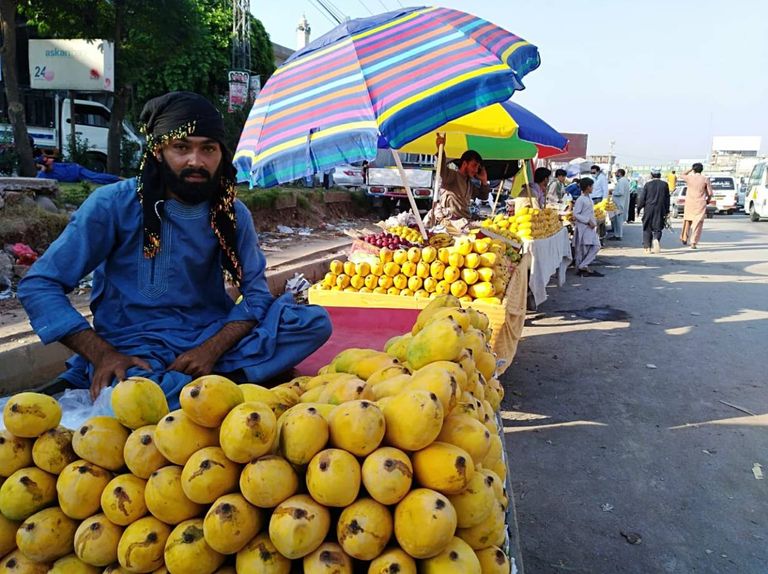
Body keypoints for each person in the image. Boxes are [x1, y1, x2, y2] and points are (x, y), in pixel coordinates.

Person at [18, 91, 332, 407]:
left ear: (221, 154)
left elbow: (257, 295)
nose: (196, 161)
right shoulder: (112, 205)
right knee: (136, 392)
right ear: (158, 151)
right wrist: (102, 354)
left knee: (312, 323)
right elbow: (40, 284)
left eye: (208, 148)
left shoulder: (232, 214)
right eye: (181, 147)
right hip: (137, 350)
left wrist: (211, 349)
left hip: (211, 338)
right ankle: (212, 389)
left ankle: (196, 389)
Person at [425, 134, 490, 226]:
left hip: (464, 222)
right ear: (464, 163)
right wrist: (441, 149)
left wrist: (484, 180)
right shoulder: (453, 175)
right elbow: (442, 169)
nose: (476, 170)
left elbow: (483, 196)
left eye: (478, 167)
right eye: (474, 165)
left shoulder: (469, 183)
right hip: (450, 223)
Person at [572, 177, 603, 277]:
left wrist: (593, 221)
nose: (593, 188)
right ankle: (581, 267)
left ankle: (583, 265)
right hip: (584, 227)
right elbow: (576, 214)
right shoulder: (580, 199)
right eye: (592, 186)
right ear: (587, 187)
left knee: (596, 246)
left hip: (590, 227)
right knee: (583, 249)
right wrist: (587, 221)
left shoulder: (589, 198)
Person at [679, 163, 713, 249]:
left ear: (693, 170)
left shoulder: (689, 177)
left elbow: (681, 175)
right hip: (700, 203)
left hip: (689, 202)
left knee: (687, 220)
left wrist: (691, 169)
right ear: (702, 170)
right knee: (698, 223)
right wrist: (708, 200)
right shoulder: (705, 179)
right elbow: (710, 193)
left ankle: (684, 237)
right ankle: (693, 242)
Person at [637, 168, 670, 254]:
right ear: (660, 175)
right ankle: (656, 239)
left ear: (651, 175)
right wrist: (667, 211)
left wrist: (638, 209)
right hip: (660, 209)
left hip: (649, 208)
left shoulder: (648, 185)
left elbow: (642, 198)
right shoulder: (664, 185)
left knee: (647, 227)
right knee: (658, 227)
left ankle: (647, 247)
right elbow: (667, 199)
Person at [608, 168, 630, 241]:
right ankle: (617, 234)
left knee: (618, 221)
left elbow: (620, 192)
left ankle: (618, 235)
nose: (615, 174)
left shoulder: (621, 181)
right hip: (620, 203)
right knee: (618, 220)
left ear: (620, 173)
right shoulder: (624, 181)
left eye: (616, 173)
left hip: (619, 204)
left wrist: (612, 192)